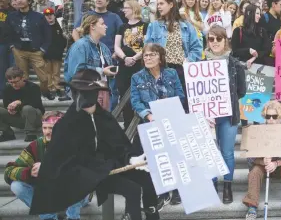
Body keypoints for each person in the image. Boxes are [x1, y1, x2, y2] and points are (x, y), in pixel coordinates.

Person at [29, 69, 155, 220]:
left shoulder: (104, 118)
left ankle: (151, 214)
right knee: (132, 189)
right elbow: (59, 155)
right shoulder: (67, 124)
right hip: (83, 174)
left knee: (147, 178)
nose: (80, 96)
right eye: (77, 91)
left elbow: (119, 145)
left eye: (86, 91)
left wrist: (132, 159)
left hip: (108, 167)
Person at [4, 111, 88, 220]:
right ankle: (49, 217)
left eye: (51, 128)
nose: (47, 132)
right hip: (48, 196)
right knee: (17, 186)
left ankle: (72, 218)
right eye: (45, 128)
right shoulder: (36, 146)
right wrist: (29, 172)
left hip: (74, 196)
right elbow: (9, 171)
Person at [130, 43, 185, 208]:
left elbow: (180, 96)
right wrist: (148, 115)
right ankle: (160, 193)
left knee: (173, 156)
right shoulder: (137, 77)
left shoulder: (172, 73)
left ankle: (175, 190)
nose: (147, 58)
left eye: (152, 54)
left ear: (160, 57)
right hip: (150, 122)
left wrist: (168, 110)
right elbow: (135, 101)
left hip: (169, 121)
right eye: (145, 55)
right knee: (155, 159)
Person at [204, 25, 246, 204]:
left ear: (225, 41)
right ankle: (212, 185)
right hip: (208, 118)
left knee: (227, 152)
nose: (214, 42)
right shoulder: (200, 64)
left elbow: (242, 91)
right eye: (211, 39)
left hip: (229, 116)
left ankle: (227, 186)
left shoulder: (235, 64)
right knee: (211, 153)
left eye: (218, 39)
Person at [242, 100, 281, 220]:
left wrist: (276, 163)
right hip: (262, 166)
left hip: (280, 166)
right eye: (268, 116)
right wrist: (262, 161)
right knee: (254, 173)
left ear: (279, 117)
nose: (271, 119)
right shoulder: (257, 131)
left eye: (274, 116)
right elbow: (249, 156)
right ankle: (252, 206)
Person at [145, 0, 202, 113]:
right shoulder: (154, 25)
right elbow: (148, 49)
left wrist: (188, 60)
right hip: (161, 70)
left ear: (171, 5)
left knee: (183, 107)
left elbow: (196, 47)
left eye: (161, 4)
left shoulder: (186, 25)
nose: (158, 7)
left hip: (181, 70)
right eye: (157, 4)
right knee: (163, 108)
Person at [72, 0, 123, 110]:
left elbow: (122, 33)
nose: (98, 0)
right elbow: (75, 31)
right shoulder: (87, 16)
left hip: (109, 57)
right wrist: (80, 47)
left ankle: (110, 115)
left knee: (111, 90)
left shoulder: (114, 17)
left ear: (107, 1)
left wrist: (117, 50)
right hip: (90, 60)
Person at [7, 0, 53, 100]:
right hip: (19, 50)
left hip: (36, 50)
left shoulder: (38, 17)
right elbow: (7, 33)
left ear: (29, 1)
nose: (19, 1)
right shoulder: (11, 16)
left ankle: (45, 91)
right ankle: (25, 96)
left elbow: (48, 35)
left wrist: (43, 49)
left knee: (44, 78)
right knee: (23, 77)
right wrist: (12, 47)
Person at [64, 14, 117, 111]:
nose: (106, 26)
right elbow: (76, 72)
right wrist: (102, 71)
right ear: (92, 26)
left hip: (103, 91)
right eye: (102, 24)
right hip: (85, 92)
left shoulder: (104, 48)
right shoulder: (80, 45)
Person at [113, 0, 148, 130]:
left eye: (126, 8)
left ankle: (140, 125)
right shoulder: (122, 27)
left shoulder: (145, 26)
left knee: (140, 95)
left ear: (134, 9)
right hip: (125, 65)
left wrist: (134, 57)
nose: (123, 10)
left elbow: (147, 45)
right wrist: (125, 57)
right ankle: (128, 125)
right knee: (124, 95)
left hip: (139, 64)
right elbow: (117, 46)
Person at [0, 67, 44, 142]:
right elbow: (6, 104)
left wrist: (19, 102)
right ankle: (7, 133)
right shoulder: (7, 89)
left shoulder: (33, 87)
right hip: (19, 118)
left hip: (35, 119)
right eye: (11, 82)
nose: (14, 84)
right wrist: (10, 109)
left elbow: (36, 104)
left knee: (27, 108)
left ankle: (31, 133)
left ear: (23, 78)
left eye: (16, 81)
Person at [43, 8, 67, 100]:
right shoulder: (43, 27)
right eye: (47, 15)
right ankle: (50, 88)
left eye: (51, 14)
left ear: (54, 15)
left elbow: (63, 39)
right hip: (46, 54)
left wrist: (61, 49)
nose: (49, 16)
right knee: (48, 72)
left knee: (56, 72)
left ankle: (57, 87)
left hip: (57, 54)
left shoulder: (59, 26)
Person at [0, 0, 14, 98]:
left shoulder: (14, 12)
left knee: (13, 69)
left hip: (13, 45)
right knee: (1, 68)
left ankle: (13, 91)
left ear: (8, 0)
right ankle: (2, 92)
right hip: (1, 44)